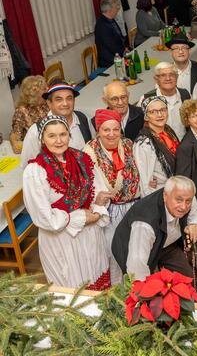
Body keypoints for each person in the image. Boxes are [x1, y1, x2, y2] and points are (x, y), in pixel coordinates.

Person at [23, 115, 111, 290]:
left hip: (90, 235)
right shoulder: (35, 171)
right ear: (42, 139)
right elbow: (44, 217)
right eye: (52, 136)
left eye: (63, 134)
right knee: (71, 291)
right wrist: (80, 217)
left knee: (97, 285)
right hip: (61, 240)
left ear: (69, 135)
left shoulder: (82, 159)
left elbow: (99, 191)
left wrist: (98, 208)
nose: (58, 141)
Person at [112, 175, 197, 281]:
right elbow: (137, 266)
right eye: (179, 200)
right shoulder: (145, 223)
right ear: (165, 196)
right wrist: (148, 291)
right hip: (133, 248)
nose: (183, 206)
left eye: (188, 201)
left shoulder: (187, 196)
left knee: (187, 280)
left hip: (167, 244)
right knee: (147, 287)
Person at [84, 109, 140, 285]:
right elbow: (85, 186)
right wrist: (96, 200)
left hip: (134, 207)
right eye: (106, 130)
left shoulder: (129, 145)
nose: (111, 134)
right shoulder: (88, 153)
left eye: (115, 129)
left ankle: (140, 289)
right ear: (98, 131)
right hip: (110, 211)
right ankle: (118, 292)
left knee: (136, 250)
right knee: (114, 252)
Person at [21, 82, 93, 168]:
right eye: (59, 99)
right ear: (49, 103)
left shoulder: (83, 119)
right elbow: (28, 166)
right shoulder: (36, 131)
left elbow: (93, 148)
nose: (65, 104)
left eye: (69, 98)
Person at [134, 96, 180, 197]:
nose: (159, 115)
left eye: (163, 110)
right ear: (146, 117)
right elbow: (144, 181)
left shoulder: (168, 130)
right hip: (160, 193)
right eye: (153, 112)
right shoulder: (144, 143)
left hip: (176, 187)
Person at [139, 62, 191, 140]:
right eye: (163, 75)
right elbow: (141, 126)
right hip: (160, 146)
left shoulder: (185, 94)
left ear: (177, 77)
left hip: (185, 144)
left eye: (171, 75)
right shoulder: (146, 99)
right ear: (156, 79)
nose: (168, 78)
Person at [10, 75, 48, 154]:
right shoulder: (22, 111)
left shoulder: (46, 103)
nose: (48, 90)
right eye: (44, 89)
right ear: (34, 93)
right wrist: (16, 143)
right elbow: (15, 138)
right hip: (38, 151)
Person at [166, 32, 197, 96]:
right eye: (176, 48)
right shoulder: (166, 71)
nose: (180, 51)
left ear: (189, 50)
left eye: (184, 48)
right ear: (171, 51)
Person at [94, 0, 127, 68]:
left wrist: (125, 48)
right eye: (116, 7)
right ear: (109, 10)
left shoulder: (111, 19)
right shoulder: (102, 25)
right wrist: (123, 52)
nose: (117, 9)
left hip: (117, 55)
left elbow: (119, 37)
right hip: (109, 61)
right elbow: (111, 46)